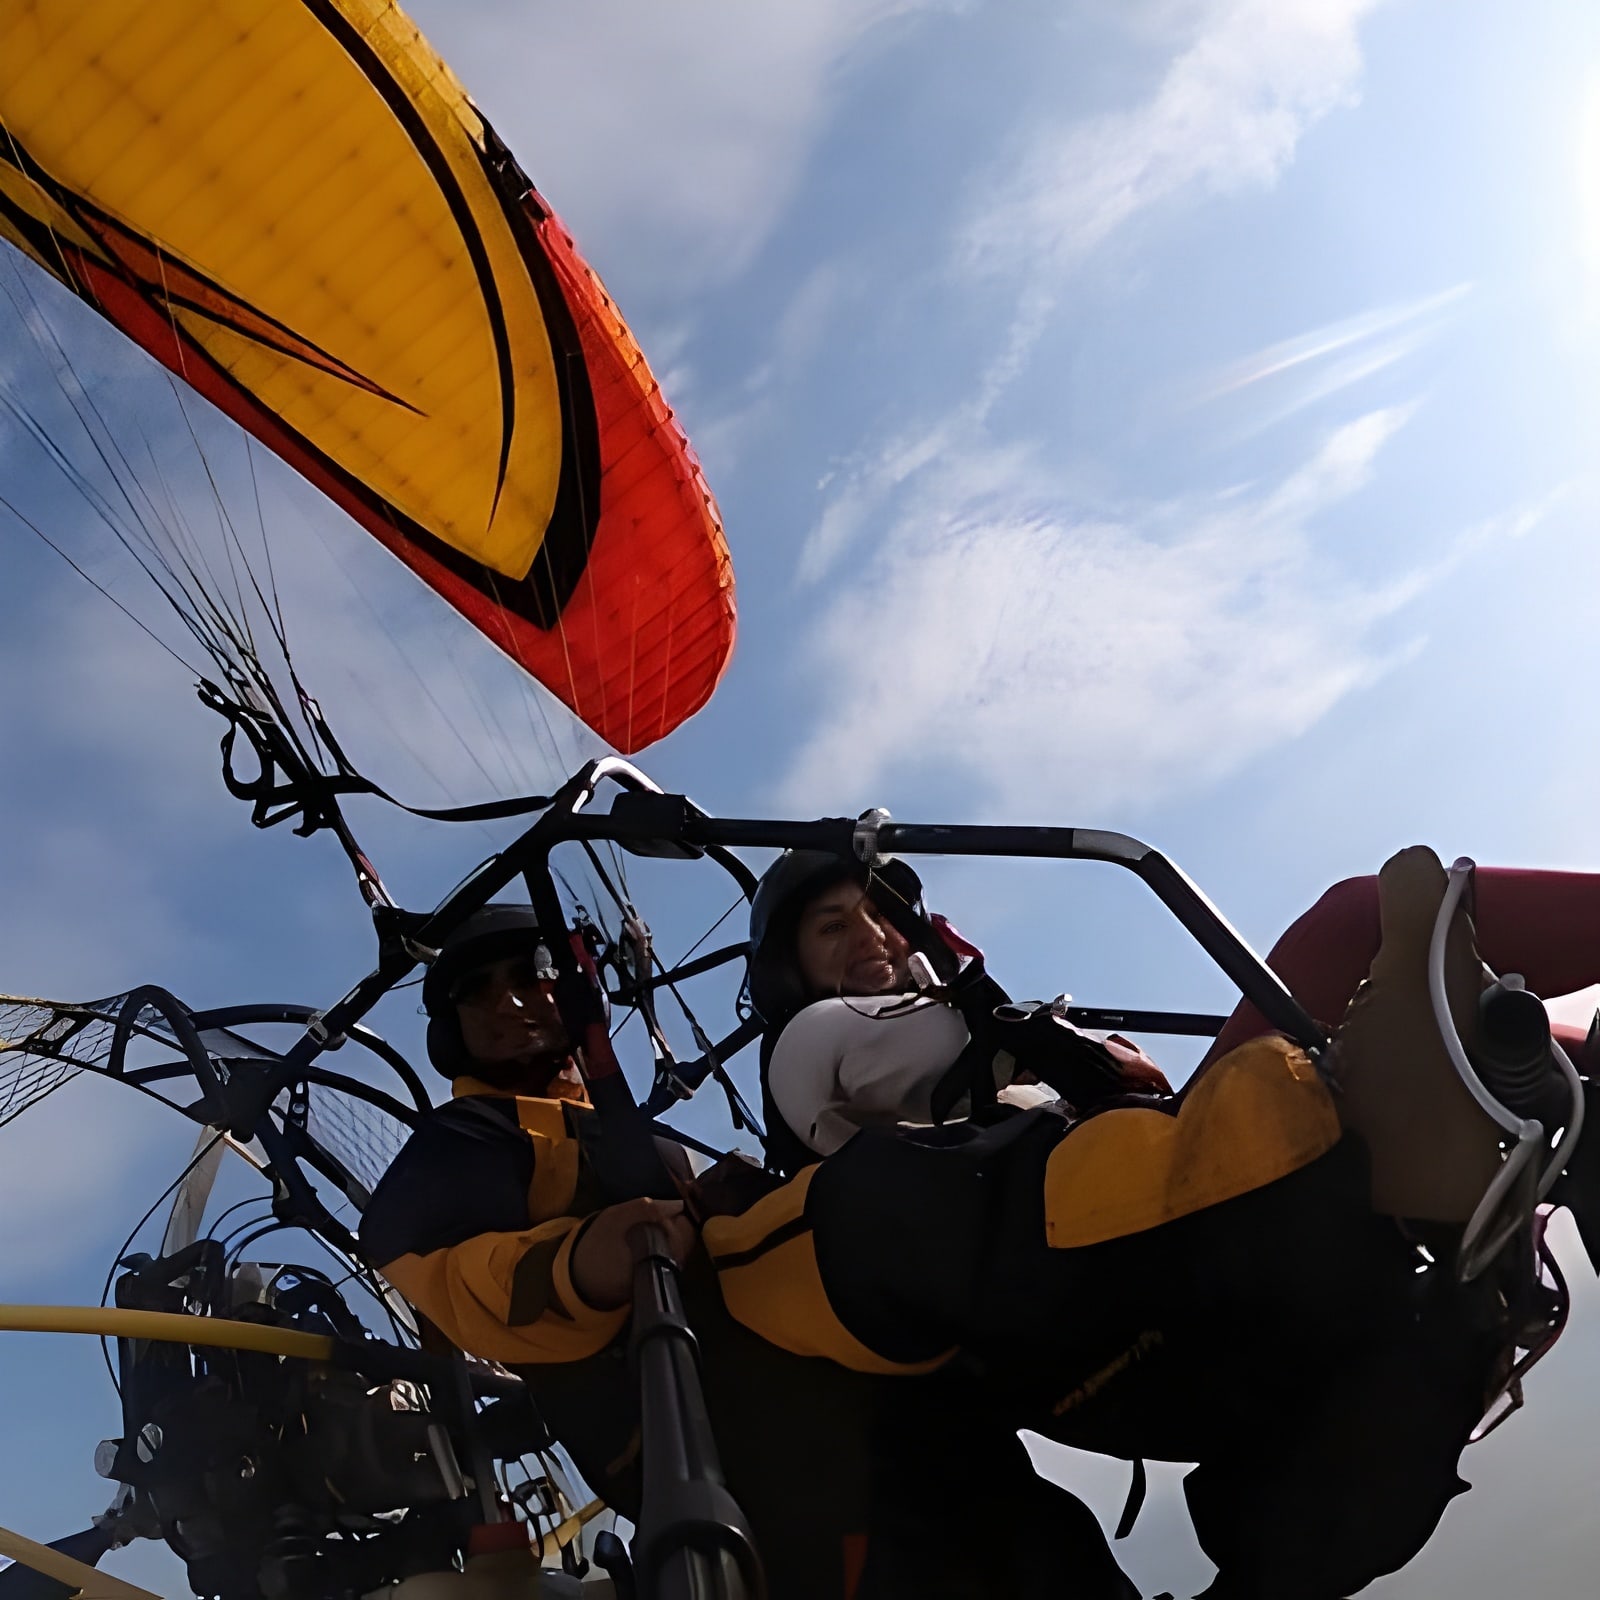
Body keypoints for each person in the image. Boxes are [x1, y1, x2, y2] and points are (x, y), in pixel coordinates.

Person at [360, 902, 1139, 1600]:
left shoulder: (629, 1132)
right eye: (476, 989)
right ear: (447, 1027)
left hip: (861, 1409)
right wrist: (583, 1263)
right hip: (729, 1446)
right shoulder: (469, 1137)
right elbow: (437, 1265)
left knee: (1026, 1528)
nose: (508, 1000)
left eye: (530, 972)